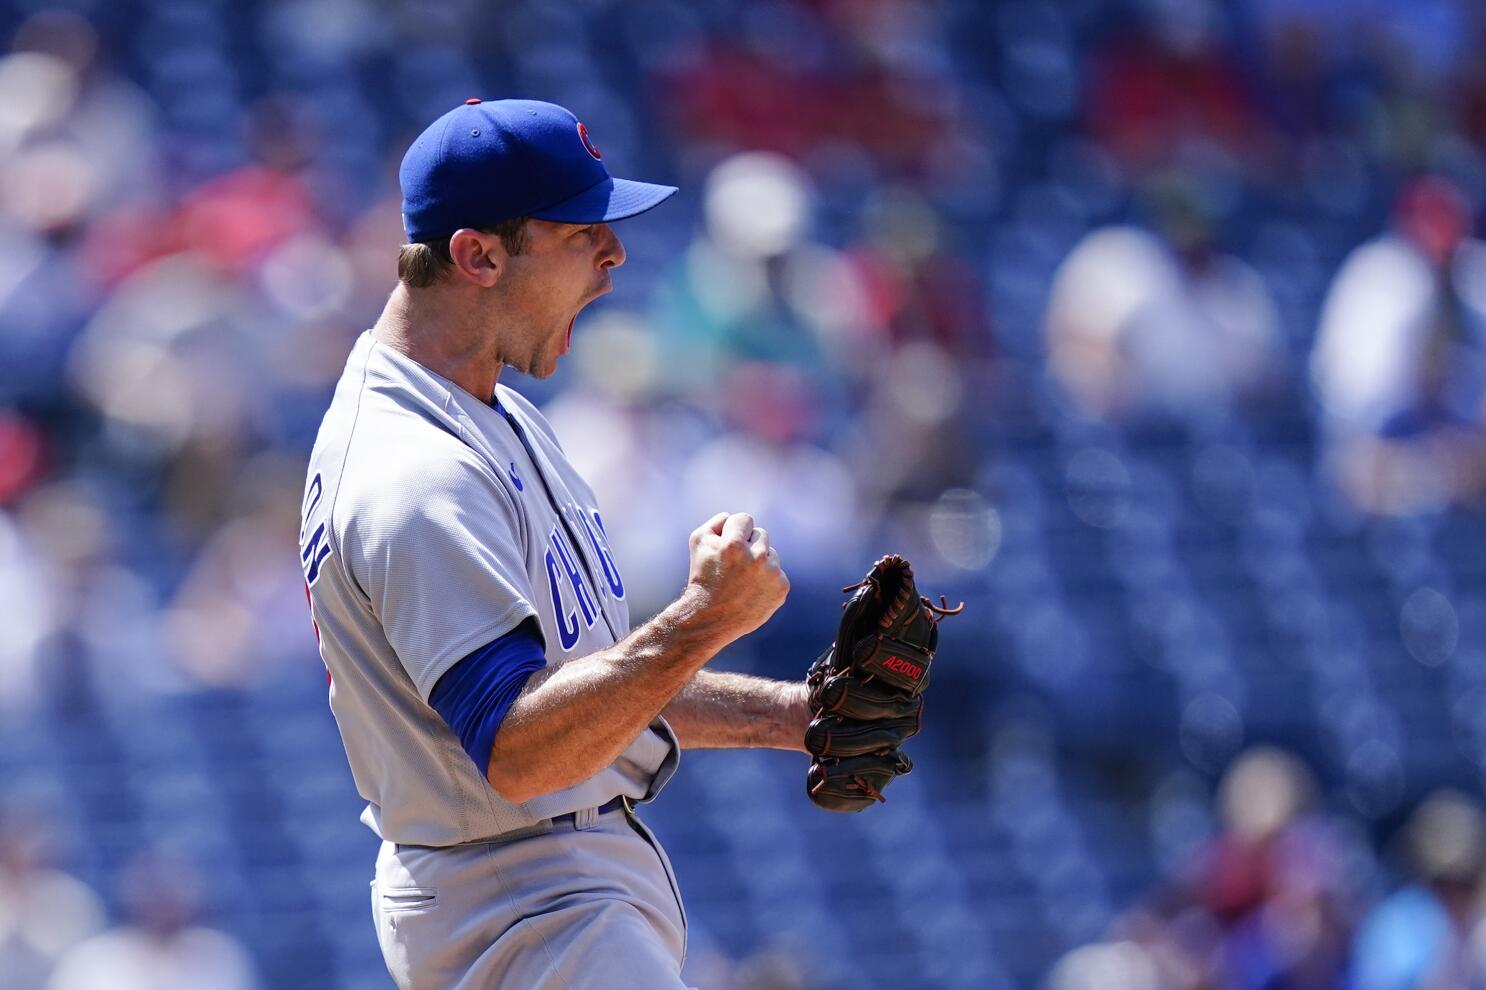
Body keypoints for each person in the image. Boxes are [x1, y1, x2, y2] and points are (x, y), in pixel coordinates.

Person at [298, 98, 803, 990]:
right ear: (477, 254)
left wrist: (797, 720)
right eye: (581, 235)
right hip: (521, 903)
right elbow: (524, 750)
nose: (614, 261)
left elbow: (588, 694)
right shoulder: (415, 473)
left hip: (540, 897)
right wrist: (702, 621)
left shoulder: (486, 413)